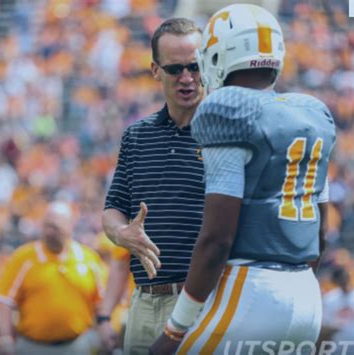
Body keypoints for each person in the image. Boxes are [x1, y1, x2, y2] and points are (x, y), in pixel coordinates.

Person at [151, 4, 336, 354]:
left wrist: (175, 330)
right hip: (307, 296)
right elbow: (321, 232)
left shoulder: (228, 109)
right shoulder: (311, 113)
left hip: (252, 288)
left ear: (218, 55)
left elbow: (217, 239)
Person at [101, 17, 205, 354]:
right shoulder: (136, 136)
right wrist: (121, 234)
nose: (187, 77)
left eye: (195, 66)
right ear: (155, 70)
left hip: (204, 301)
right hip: (145, 302)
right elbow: (113, 208)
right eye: (176, 69)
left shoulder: (225, 132)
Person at [0, 201, 103, 355]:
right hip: (32, 346)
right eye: (46, 226)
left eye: (55, 227)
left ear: (70, 226)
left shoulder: (89, 258)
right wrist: (4, 337)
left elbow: (101, 302)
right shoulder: (24, 257)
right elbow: (5, 300)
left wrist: (104, 331)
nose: (49, 232)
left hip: (76, 345)